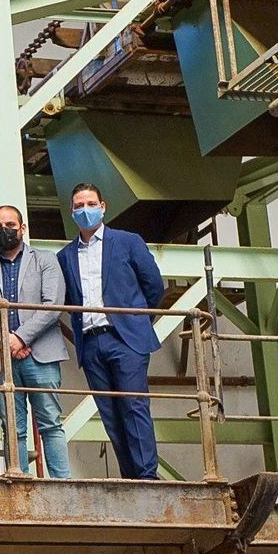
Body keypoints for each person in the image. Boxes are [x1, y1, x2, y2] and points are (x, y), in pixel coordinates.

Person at [57, 183, 166, 480]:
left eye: (91, 204)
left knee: (133, 406)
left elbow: (154, 287)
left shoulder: (128, 242)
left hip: (125, 339)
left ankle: (147, 477)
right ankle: (130, 478)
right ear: (72, 212)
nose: (85, 210)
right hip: (90, 343)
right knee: (110, 414)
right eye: (79, 206)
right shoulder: (66, 256)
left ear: (103, 207)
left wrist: (135, 321)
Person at [0, 205, 72, 479]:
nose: (3, 230)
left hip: (41, 355)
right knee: (12, 428)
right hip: (1, 359)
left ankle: (62, 484)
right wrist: (5, 340)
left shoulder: (46, 260)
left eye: (10, 225)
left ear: (23, 228)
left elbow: (53, 305)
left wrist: (20, 337)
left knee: (50, 423)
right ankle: (18, 484)